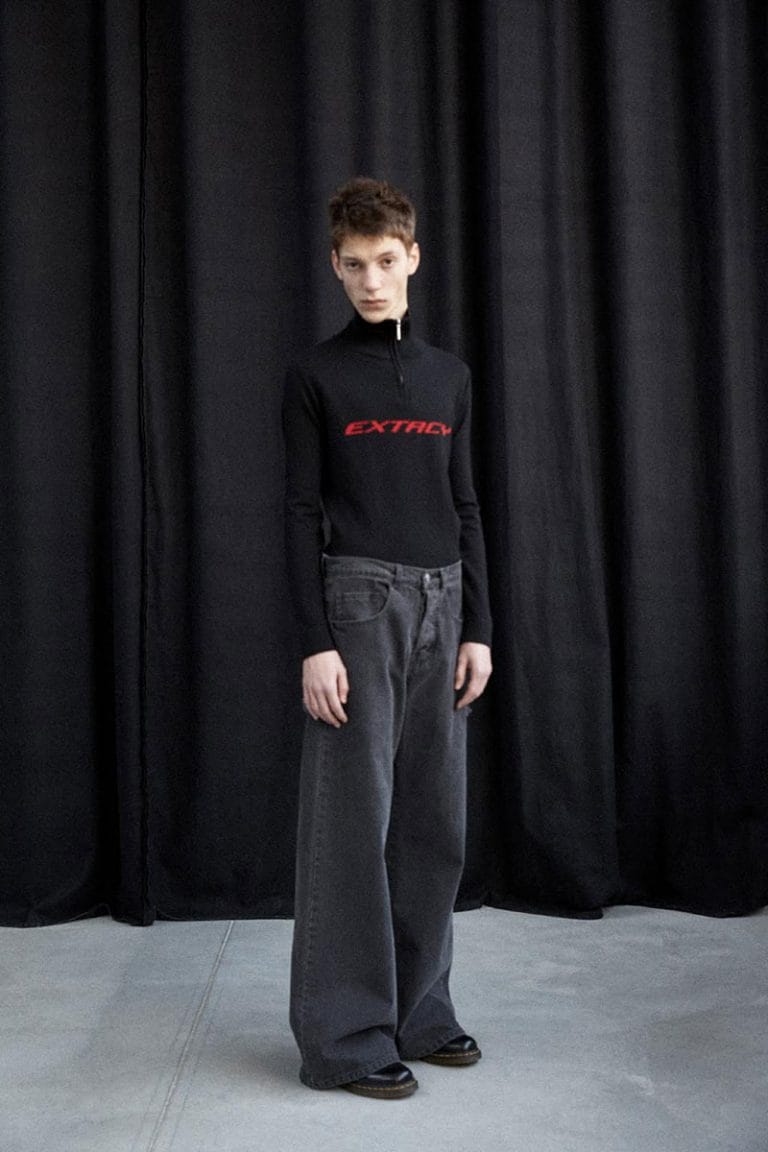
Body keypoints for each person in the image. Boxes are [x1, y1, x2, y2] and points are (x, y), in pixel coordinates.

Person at [282, 176, 493, 1098]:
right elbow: (299, 512)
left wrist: (479, 627)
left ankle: (420, 1012)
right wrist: (314, 642)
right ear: (336, 267)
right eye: (354, 265)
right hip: (359, 605)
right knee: (349, 828)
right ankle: (344, 1039)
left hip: (444, 605)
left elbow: (465, 504)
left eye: (385, 261)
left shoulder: (449, 376)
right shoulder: (318, 375)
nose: (372, 280)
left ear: (413, 258)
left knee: (433, 824)